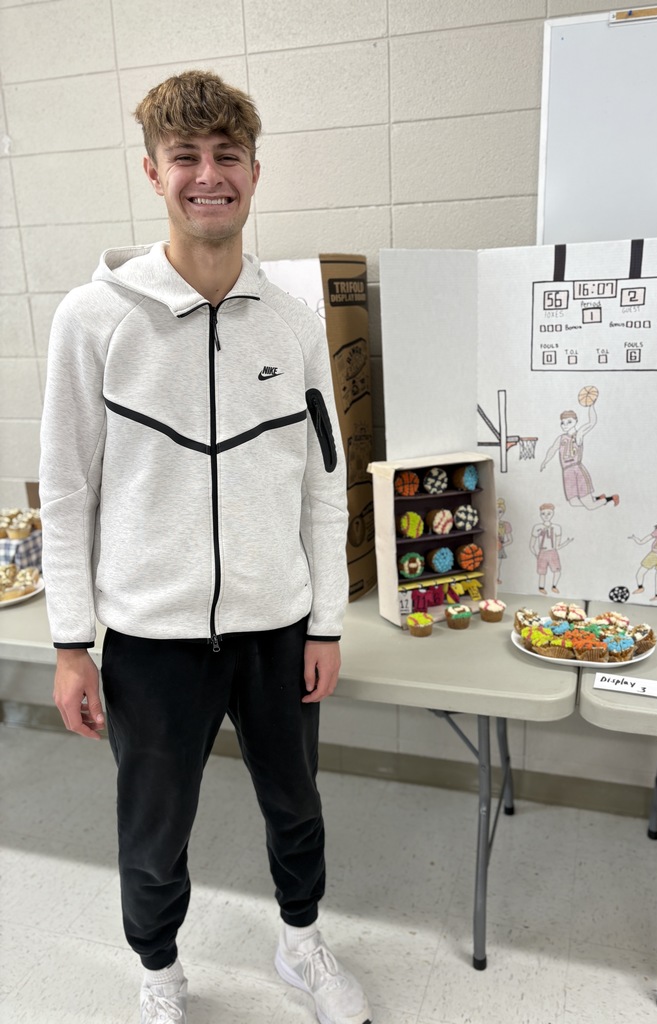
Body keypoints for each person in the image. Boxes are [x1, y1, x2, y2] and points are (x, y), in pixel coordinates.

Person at [39, 70, 371, 1024]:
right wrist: (71, 644)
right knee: (153, 831)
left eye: (227, 157)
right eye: (187, 157)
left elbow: (320, 480)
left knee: (297, 807)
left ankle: (302, 947)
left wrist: (325, 623)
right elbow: (67, 493)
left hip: (277, 628)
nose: (208, 176)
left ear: (255, 173)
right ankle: (159, 975)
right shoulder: (93, 320)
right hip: (150, 637)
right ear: (153, 172)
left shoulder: (294, 323)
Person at [539, 399, 618, 510]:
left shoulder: (578, 435)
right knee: (573, 502)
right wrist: (545, 461)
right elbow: (552, 449)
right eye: (563, 422)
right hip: (566, 472)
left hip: (577, 470)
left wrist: (591, 406)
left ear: (576, 421)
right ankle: (598, 498)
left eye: (569, 422)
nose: (565, 425)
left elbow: (592, 422)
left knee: (589, 506)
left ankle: (611, 498)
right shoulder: (561, 438)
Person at [529, 503, 572, 594]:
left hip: (553, 552)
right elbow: (532, 545)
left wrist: (567, 542)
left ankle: (554, 586)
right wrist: (536, 554)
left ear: (553, 513)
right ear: (540, 514)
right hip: (542, 552)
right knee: (542, 572)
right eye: (543, 514)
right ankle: (541, 588)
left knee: (557, 570)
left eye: (549, 513)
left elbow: (557, 545)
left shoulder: (557, 528)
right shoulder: (537, 527)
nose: (546, 516)